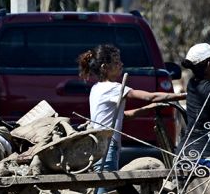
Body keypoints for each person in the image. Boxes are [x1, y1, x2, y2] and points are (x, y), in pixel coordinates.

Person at [77, 44, 182, 174]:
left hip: (100, 145)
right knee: (105, 188)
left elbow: (122, 116)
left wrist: (148, 109)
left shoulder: (97, 87)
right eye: (116, 62)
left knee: (103, 186)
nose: (121, 64)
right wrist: (183, 95)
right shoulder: (113, 88)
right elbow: (150, 96)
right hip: (107, 146)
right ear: (105, 67)